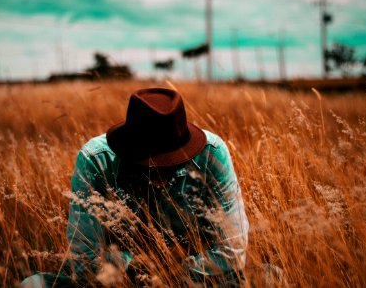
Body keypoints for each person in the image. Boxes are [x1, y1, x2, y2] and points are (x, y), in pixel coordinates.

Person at [21, 87, 249, 287]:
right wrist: (133, 273)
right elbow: (84, 261)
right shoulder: (96, 160)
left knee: (270, 276)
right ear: (128, 150)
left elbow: (232, 250)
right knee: (32, 285)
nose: (159, 177)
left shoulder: (212, 154)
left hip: (191, 279)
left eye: (169, 165)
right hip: (115, 280)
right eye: (149, 166)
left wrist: (171, 276)